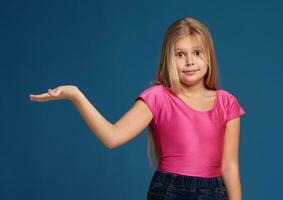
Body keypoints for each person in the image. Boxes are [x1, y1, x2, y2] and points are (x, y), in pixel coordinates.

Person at [29, 16, 246, 200]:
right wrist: (76, 95)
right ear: (168, 59)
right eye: (180, 54)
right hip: (170, 190)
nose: (190, 61)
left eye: (197, 52)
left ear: (209, 55)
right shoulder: (158, 97)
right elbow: (112, 137)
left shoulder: (227, 103)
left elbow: (230, 166)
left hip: (215, 191)